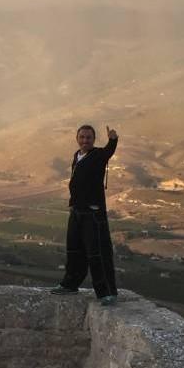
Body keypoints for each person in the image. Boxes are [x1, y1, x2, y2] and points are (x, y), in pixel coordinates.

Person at [49, 124, 119, 305]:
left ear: (93, 140)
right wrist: (72, 204)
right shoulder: (77, 155)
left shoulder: (97, 155)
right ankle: (70, 284)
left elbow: (108, 152)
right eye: (82, 137)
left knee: (97, 253)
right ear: (77, 138)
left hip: (92, 212)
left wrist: (113, 140)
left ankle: (106, 293)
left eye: (88, 137)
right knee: (74, 249)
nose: (85, 140)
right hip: (77, 210)